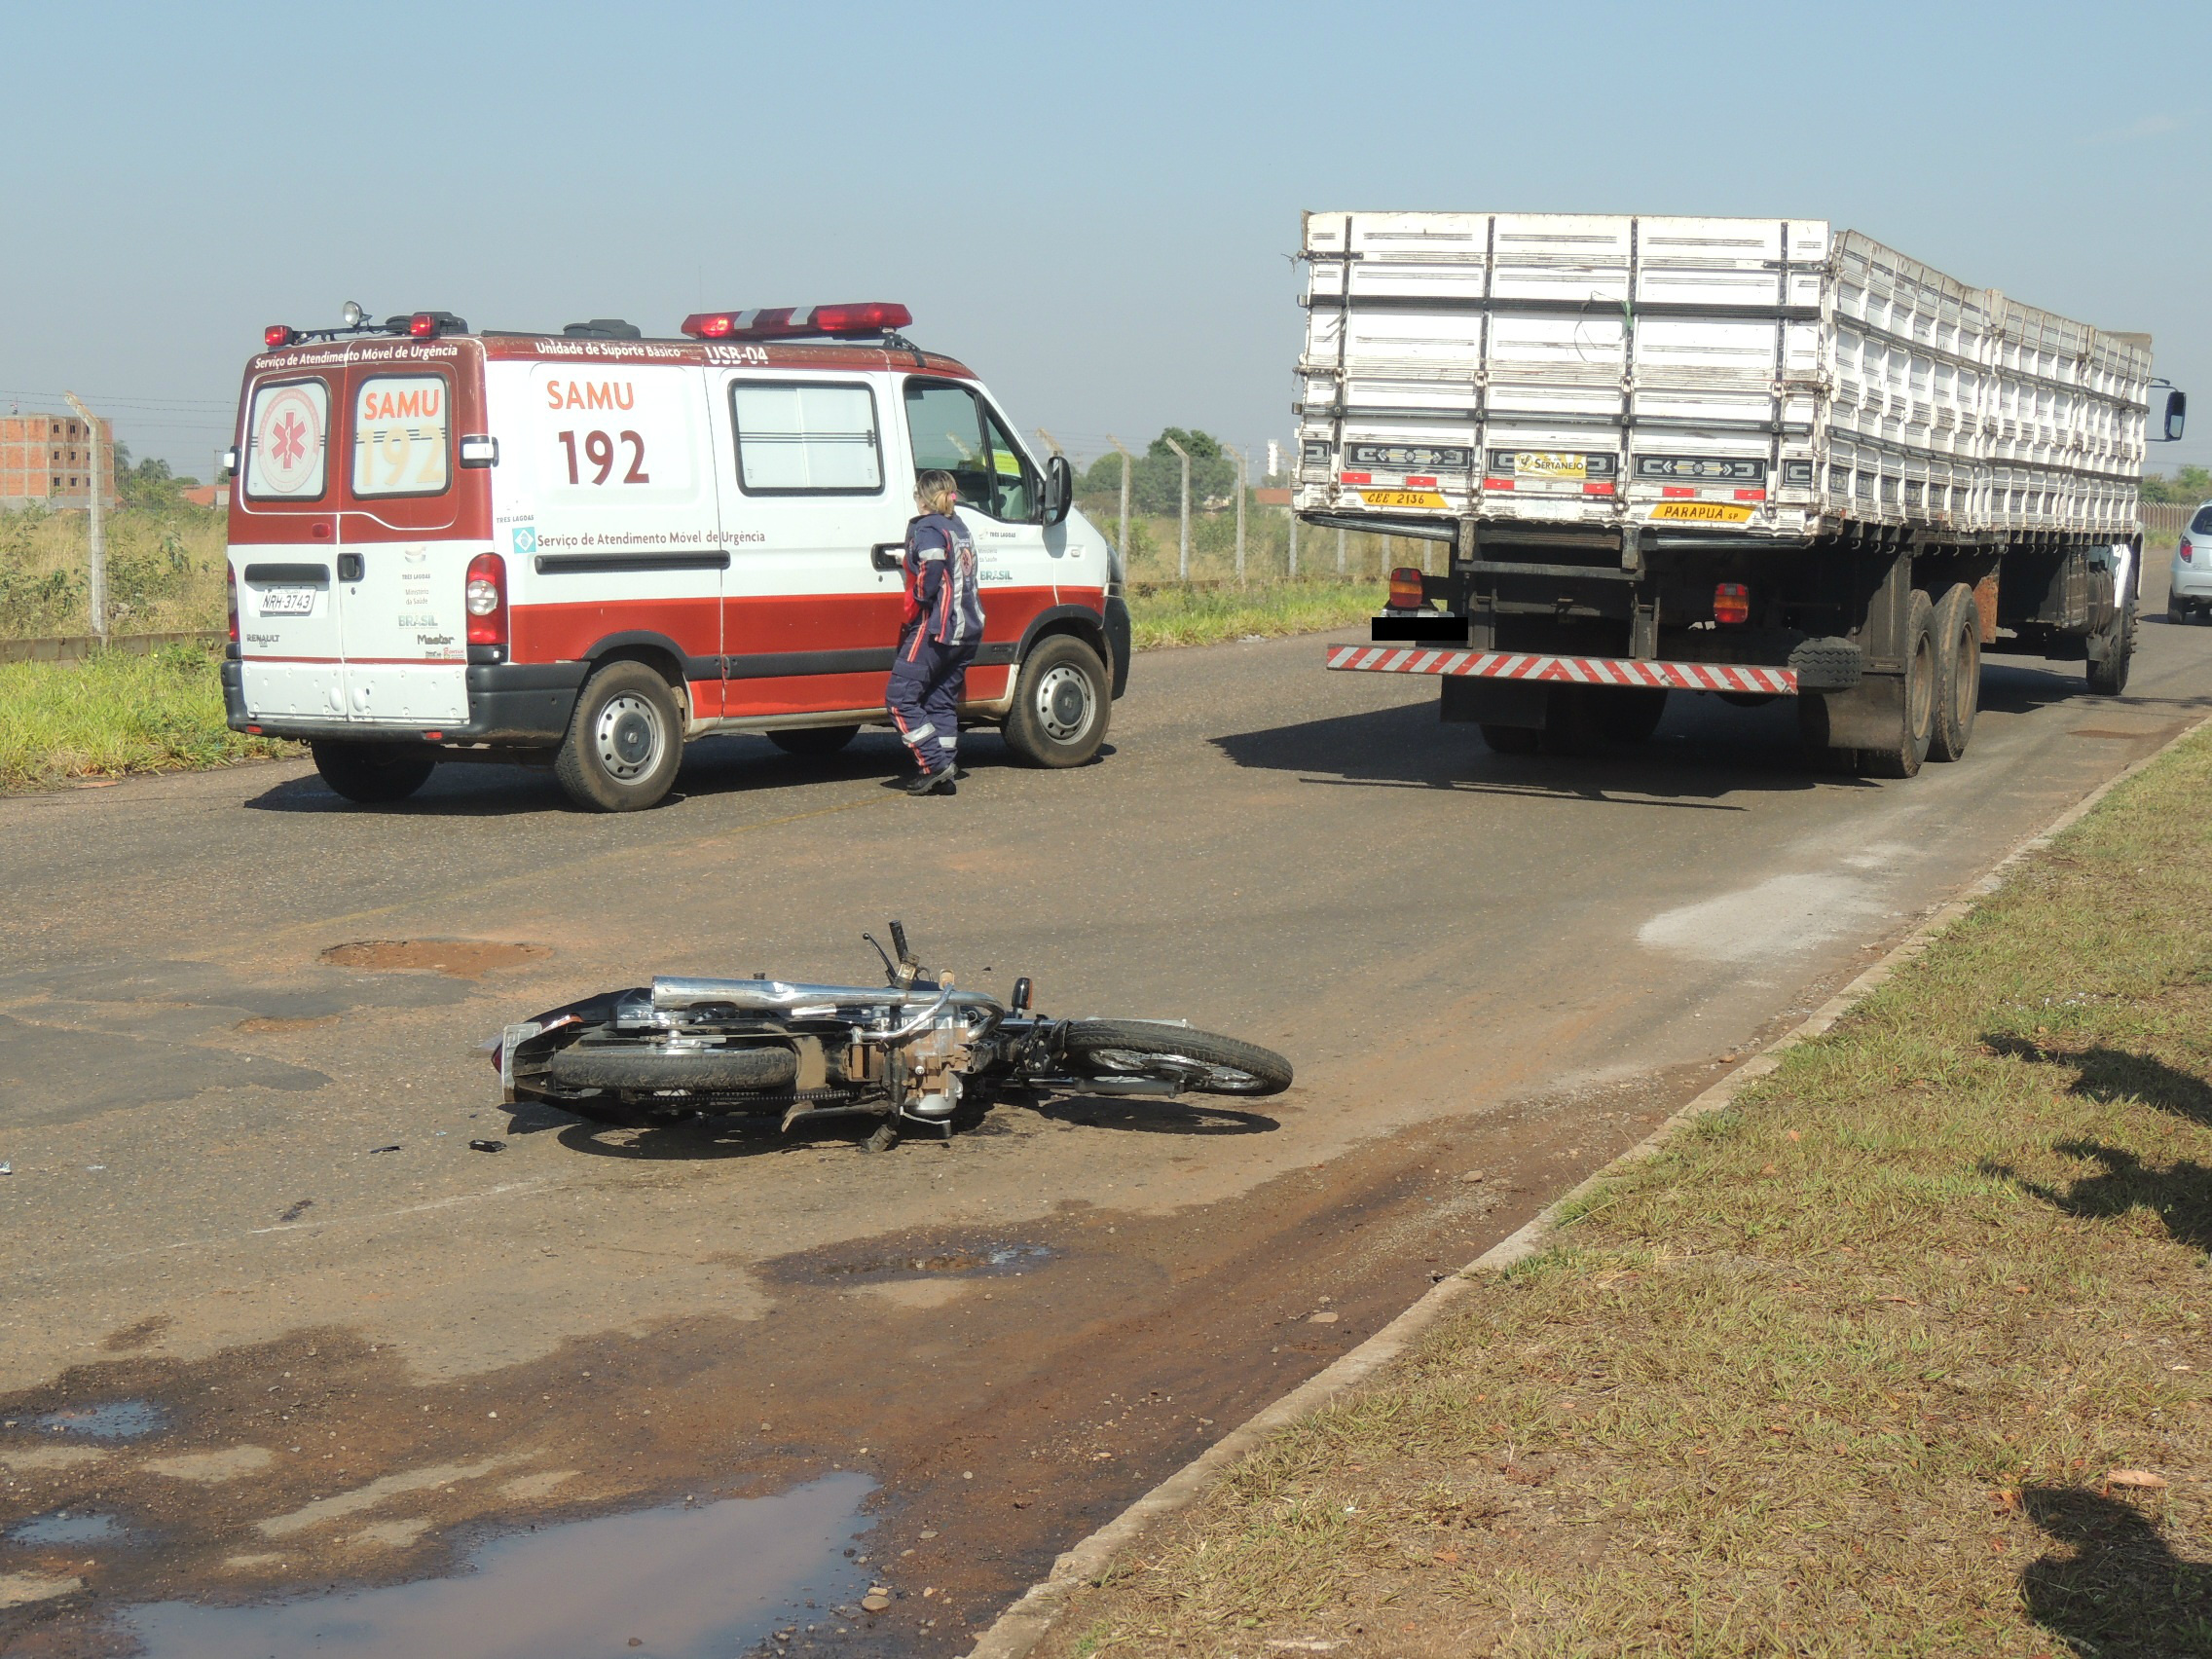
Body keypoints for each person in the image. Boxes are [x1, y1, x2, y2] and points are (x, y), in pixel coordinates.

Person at [887, 469, 984, 795]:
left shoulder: (928, 527)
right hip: (969, 628)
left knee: (900, 698)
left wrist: (918, 595)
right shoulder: (959, 526)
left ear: (921, 497)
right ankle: (944, 769)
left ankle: (934, 764)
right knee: (941, 701)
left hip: (938, 626)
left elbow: (932, 566)